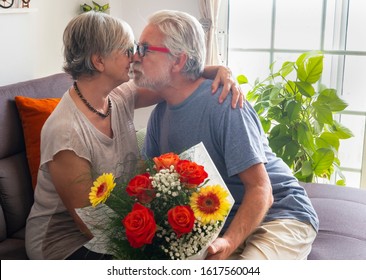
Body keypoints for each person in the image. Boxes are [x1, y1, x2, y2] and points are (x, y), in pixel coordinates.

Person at [25, 11, 243, 260]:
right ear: (99, 61)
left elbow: (172, 80)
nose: (136, 56)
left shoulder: (117, 97)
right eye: (127, 50)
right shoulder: (65, 132)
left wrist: (218, 70)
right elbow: (91, 224)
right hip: (66, 243)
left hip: (115, 226)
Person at [137, 10, 319, 260]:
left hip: (279, 213)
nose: (136, 56)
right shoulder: (159, 115)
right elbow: (152, 189)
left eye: (145, 48)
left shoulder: (225, 102)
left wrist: (229, 242)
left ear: (178, 61)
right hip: (218, 222)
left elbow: (261, 189)